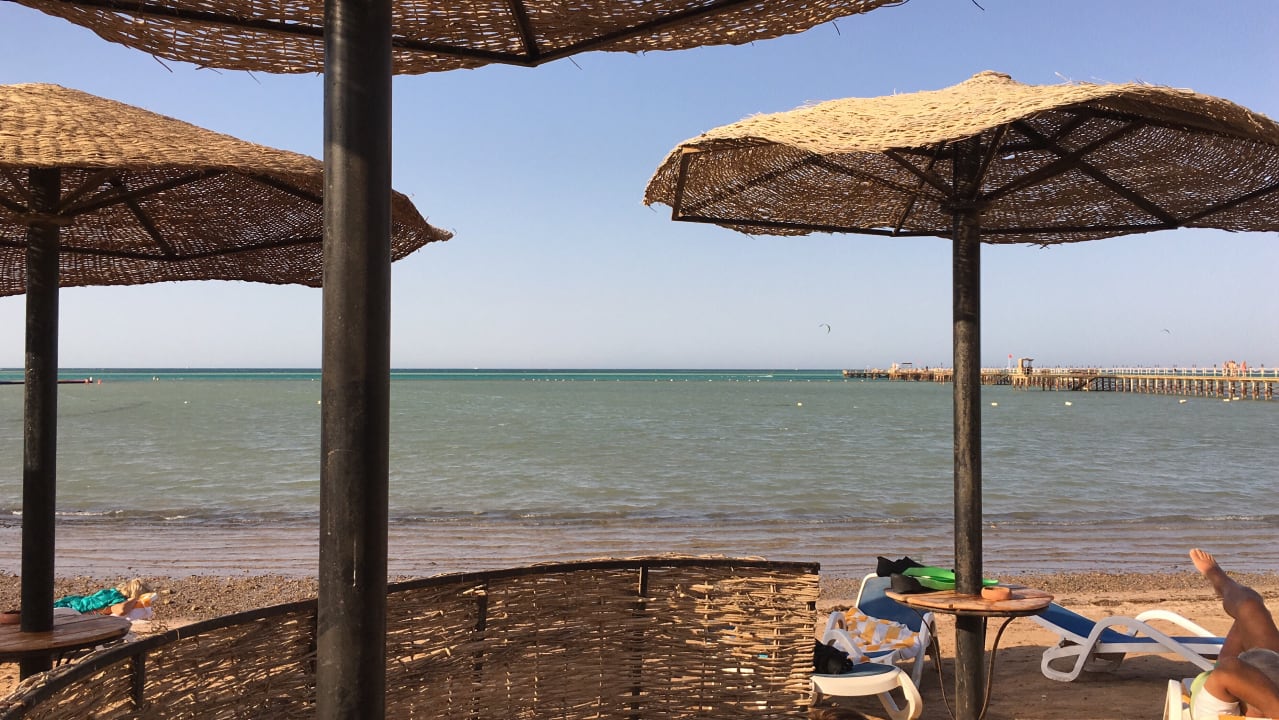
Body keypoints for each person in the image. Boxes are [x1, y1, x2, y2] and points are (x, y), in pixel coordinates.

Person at [1188, 548, 1279, 718]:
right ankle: (1219, 580)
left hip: (1219, 684)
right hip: (1268, 663)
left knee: (1248, 608)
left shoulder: (1216, 710)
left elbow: (1229, 668)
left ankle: (1218, 578)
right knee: (1250, 606)